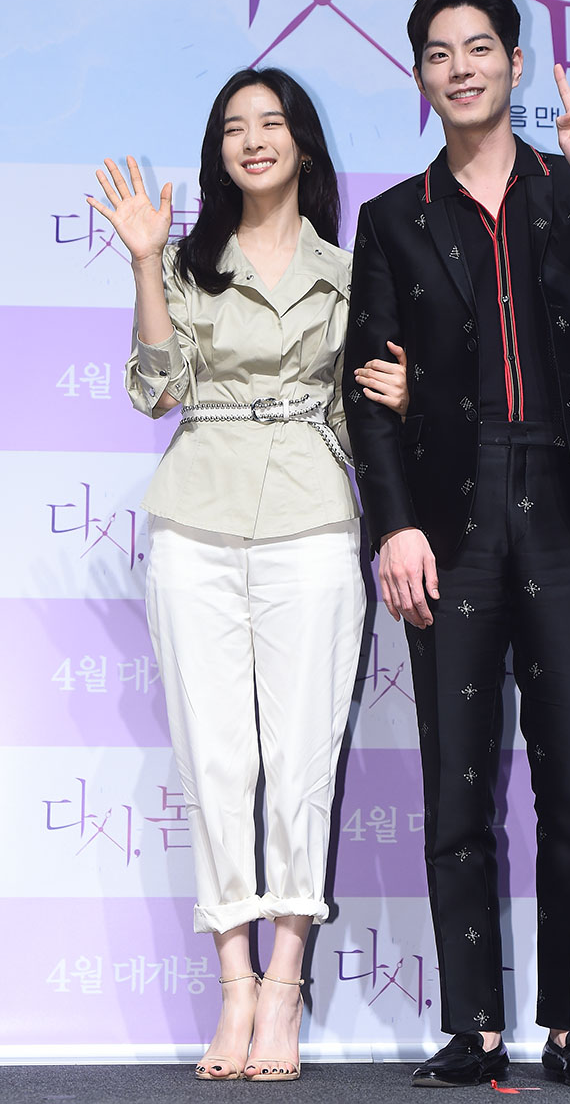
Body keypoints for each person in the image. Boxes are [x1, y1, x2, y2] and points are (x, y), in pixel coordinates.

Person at [345, 0, 570, 1089]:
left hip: (564, 499)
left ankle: (569, 1024)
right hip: (449, 516)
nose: (461, 66)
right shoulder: (391, 219)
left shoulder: (566, 186)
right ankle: (473, 1026)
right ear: (418, 76)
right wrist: (392, 524)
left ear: (511, 63)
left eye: (479, 46)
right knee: (455, 782)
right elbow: (367, 387)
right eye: (439, 51)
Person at [87, 67, 407, 1082]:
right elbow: (153, 391)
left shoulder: (351, 272)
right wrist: (145, 263)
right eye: (234, 126)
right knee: (216, 761)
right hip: (196, 520)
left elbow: (375, 412)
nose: (253, 139)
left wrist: (408, 394)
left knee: (301, 762)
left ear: (303, 145)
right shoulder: (188, 261)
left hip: (312, 518)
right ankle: (232, 986)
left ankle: (284, 987)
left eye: (271, 123)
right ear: (218, 150)